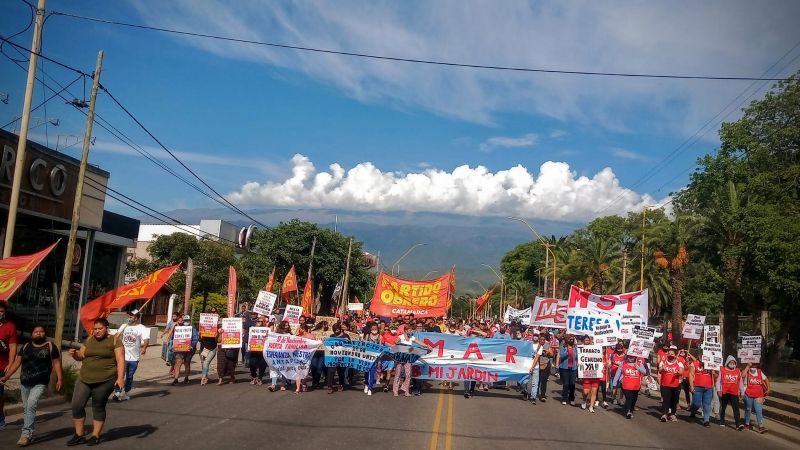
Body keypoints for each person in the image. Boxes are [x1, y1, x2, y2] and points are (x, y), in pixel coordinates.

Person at [0, 324, 62, 447]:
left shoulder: (50, 346)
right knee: (26, 407)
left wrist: (60, 378)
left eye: (41, 331)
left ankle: (26, 434)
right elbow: (17, 362)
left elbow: (56, 363)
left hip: (40, 382)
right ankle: (30, 431)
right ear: (32, 334)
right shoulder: (26, 346)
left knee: (31, 405)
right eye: (36, 331)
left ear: (44, 333)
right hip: (25, 382)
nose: (39, 333)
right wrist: (7, 376)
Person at [67, 318, 124, 446]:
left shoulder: (115, 340)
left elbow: (120, 360)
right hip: (84, 378)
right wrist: (75, 354)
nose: (97, 331)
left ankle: (95, 435)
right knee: (76, 405)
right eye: (95, 329)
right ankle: (79, 435)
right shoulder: (89, 340)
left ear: (106, 328)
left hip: (106, 380)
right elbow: (81, 357)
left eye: (100, 329)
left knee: (98, 406)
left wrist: (120, 378)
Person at [114, 310, 149, 401]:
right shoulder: (124, 326)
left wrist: (144, 348)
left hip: (134, 357)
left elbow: (146, 339)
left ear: (136, 318)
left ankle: (126, 393)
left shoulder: (141, 328)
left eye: (130, 317)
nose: (128, 318)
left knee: (129, 376)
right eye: (128, 317)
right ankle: (117, 392)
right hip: (122, 356)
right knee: (120, 374)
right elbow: (116, 337)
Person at [0, 300, 18, 430]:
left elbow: (13, 347)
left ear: (4, 313)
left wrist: (11, 364)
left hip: (2, 365)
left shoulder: (10, 327)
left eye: (1, 311)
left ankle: (0, 417)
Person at [611, 354, 647, 419]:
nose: (630, 358)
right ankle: (628, 411)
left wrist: (638, 368)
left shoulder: (639, 364)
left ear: (635, 357)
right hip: (625, 385)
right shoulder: (623, 364)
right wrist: (614, 384)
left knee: (634, 399)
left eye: (632, 357)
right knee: (629, 397)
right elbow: (618, 374)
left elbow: (644, 372)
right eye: (629, 357)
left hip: (636, 385)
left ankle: (631, 409)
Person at [689, 353, 716, 427]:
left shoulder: (711, 364)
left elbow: (716, 376)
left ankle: (706, 420)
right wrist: (691, 386)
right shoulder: (694, 363)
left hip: (708, 388)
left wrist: (714, 373)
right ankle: (693, 412)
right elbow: (691, 374)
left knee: (707, 405)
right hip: (697, 387)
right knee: (696, 403)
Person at [658, 345, 685, 422]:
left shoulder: (679, 362)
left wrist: (678, 372)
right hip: (665, 384)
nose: (670, 355)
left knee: (674, 400)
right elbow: (660, 370)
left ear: (675, 355)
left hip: (676, 385)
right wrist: (662, 369)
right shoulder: (663, 361)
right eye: (669, 353)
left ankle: (673, 414)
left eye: (672, 354)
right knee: (666, 400)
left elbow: (681, 371)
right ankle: (664, 414)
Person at [717, 355, 744, 430]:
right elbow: (718, 381)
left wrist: (742, 392)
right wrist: (718, 390)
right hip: (724, 392)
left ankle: (738, 424)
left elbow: (741, 382)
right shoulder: (722, 370)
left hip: (734, 393)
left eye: (733, 362)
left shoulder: (738, 371)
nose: (732, 363)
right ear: (727, 362)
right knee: (723, 407)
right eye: (731, 362)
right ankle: (722, 420)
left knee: (736, 408)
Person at [743, 362, 770, 433]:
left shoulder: (759, 372)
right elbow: (742, 375)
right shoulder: (747, 371)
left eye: (755, 364)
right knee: (748, 409)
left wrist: (768, 388)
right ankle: (746, 423)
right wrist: (748, 366)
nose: (753, 366)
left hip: (759, 395)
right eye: (752, 364)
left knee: (759, 410)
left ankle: (761, 426)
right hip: (748, 394)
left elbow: (766, 379)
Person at [170, 315, 197, 385]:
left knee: (187, 363)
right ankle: (176, 379)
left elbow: (195, 339)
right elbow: (173, 338)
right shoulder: (178, 329)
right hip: (179, 349)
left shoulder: (192, 328)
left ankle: (186, 377)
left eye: (187, 321)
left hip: (189, 350)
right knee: (178, 362)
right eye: (185, 321)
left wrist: (192, 345)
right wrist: (173, 345)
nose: (186, 322)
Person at [579, 335, 601, 413]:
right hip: (586, 374)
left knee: (594, 391)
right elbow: (579, 359)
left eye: (588, 340)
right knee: (585, 392)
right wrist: (579, 364)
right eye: (586, 340)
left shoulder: (594, 348)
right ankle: (584, 400)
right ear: (583, 341)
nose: (587, 342)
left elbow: (598, 358)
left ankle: (591, 406)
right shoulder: (580, 349)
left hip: (595, 374)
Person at [327, 323, 350, 394]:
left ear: (340, 329)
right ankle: (330, 386)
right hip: (333, 358)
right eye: (335, 330)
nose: (336, 332)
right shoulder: (332, 336)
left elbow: (350, 346)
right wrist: (326, 340)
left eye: (337, 330)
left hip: (342, 357)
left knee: (341, 372)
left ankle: (341, 384)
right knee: (331, 371)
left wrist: (348, 341)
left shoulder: (345, 336)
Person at [198, 316, 219, 386]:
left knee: (206, 362)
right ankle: (205, 376)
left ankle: (203, 377)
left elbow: (217, 341)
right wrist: (200, 335)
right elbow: (200, 340)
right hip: (205, 348)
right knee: (204, 363)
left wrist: (216, 336)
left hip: (212, 348)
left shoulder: (216, 330)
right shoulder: (202, 329)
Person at [363, 322, 382, 395]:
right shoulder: (368, 336)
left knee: (372, 372)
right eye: (373, 328)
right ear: (370, 329)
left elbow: (380, 347)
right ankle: (366, 384)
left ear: (377, 329)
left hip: (375, 357)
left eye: (375, 328)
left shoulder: (380, 336)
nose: (374, 330)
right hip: (367, 357)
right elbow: (364, 344)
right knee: (366, 372)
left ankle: (370, 388)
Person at [558, 335, 579, 406]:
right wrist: (568, 352)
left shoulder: (575, 347)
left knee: (572, 384)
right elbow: (562, 356)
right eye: (570, 339)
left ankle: (571, 399)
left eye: (573, 339)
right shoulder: (563, 347)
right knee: (566, 383)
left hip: (573, 368)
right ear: (567, 340)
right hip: (565, 368)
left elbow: (577, 356)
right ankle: (564, 398)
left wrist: (578, 362)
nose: (571, 340)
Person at [249, 316, 268, 385]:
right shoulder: (253, 329)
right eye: (257, 321)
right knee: (252, 363)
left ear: (263, 322)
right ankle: (254, 376)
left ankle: (260, 378)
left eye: (260, 321)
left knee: (262, 364)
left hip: (263, 350)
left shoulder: (266, 329)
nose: (258, 322)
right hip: (254, 349)